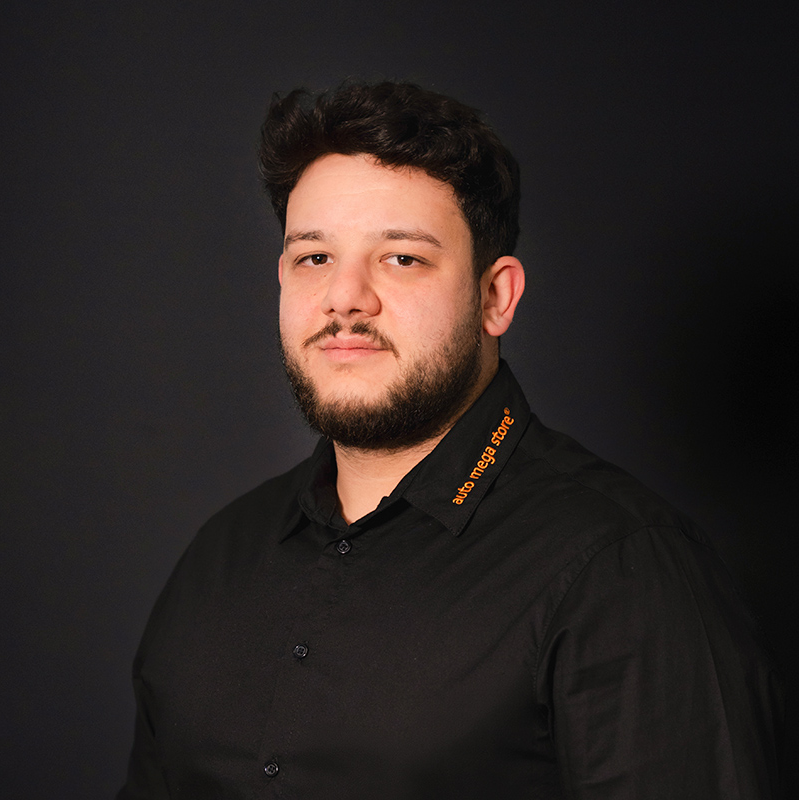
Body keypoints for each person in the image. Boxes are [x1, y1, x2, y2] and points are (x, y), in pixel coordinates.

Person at [118, 82, 784, 799]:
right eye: (314, 258)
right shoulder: (220, 557)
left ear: (495, 297)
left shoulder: (623, 568)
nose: (345, 297)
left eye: (401, 258)